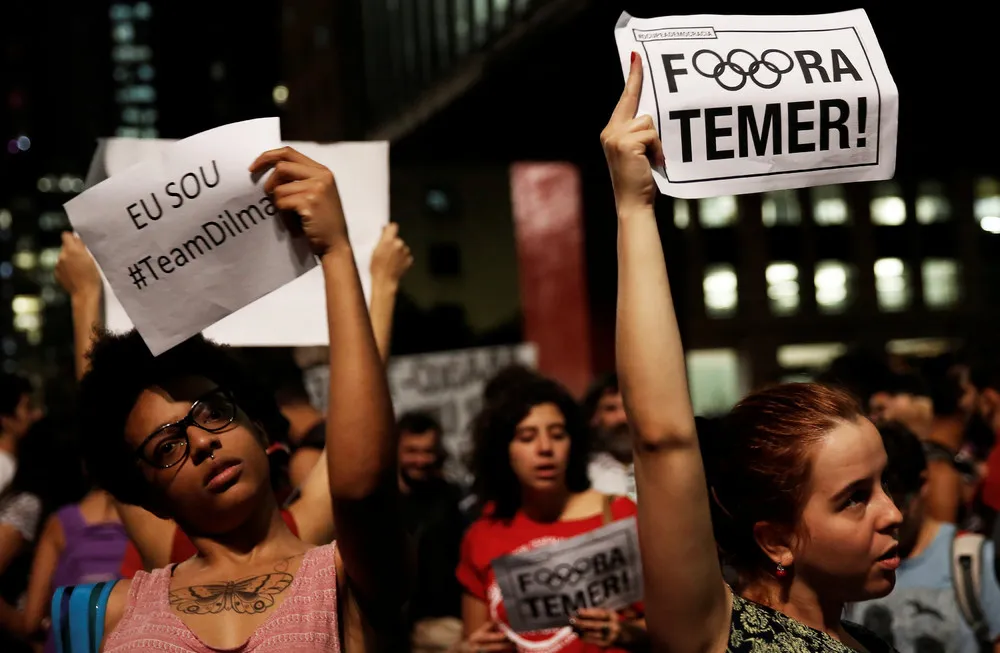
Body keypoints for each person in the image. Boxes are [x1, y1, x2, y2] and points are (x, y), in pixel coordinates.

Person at [604, 52, 899, 653]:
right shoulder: (717, 632)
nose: (893, 513)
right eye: (855, 499)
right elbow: (662, 438)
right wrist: (633, 210)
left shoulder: (867, 640)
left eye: (883, 484)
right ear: (776, 541)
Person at [73, 146, 411, 650]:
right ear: (143, 495)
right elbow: (100, 416)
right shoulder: (109, 612)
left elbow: (361, 484)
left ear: (258, 425)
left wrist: (337, 254)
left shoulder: (347, 581)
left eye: (212, 412)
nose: (203, 443)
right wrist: (85, 300)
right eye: (167, 447)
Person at [456, 376, 648, 653]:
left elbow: (677, 626)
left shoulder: (619, 515)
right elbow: (475, 638)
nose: (545, 448)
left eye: (558, 434)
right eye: (527, 437)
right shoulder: (483, 535)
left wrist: (625, 633)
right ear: (503, 449)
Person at [846, 422, 1000, 653]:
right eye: (864, 501)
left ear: (923, 484)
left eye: (899, 502)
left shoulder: (969, 559)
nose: (890, 516)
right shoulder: (849, 562)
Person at [395, 411, 466, 652]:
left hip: (447, 623)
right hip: (399, 629)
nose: (422, 460)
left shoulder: (451, 497)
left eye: (428, 451)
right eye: (412, 451)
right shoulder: (381, 504)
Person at [582, 374, 634, 501]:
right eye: (611, 409)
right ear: (594, 417)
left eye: (629, 408)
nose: (622, 418)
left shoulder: (662, 466)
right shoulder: (582, 472)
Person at [0, 374, 43, 494]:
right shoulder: (2, 468)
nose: (36, 414)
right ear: (6, 420)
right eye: (27, 408)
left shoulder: (14, 462)